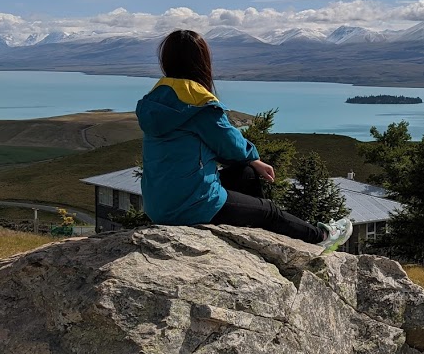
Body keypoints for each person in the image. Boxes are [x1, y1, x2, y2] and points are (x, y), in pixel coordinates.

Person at [136, 29, 352, 252]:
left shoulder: (156, 101)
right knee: (270, 211)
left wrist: (252, 162)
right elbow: (231, 146)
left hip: (159, 203)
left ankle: (250, 235)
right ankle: (323, 237)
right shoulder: (197, 104)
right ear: (200, 61)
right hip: (191, 205)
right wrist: (254, 156)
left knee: (246, 173)